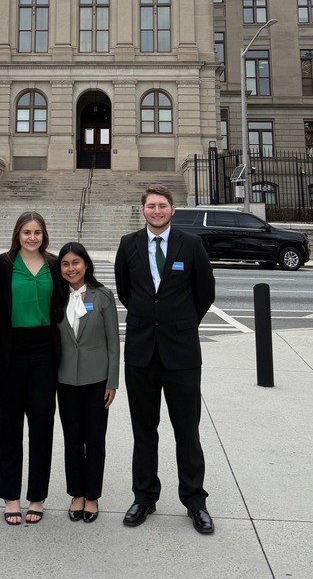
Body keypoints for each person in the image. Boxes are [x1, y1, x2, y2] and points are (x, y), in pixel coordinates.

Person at [114, 184, 216, 535]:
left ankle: (195, 502)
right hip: (142, 352)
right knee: (144, 431)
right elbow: (126, 290)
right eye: (151, 206)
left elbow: (205, 292)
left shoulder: (191, 245)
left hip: (182, 352)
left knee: (187, 431)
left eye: (162, 206)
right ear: (142, 210)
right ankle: (144, 497)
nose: (156, 211)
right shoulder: (129, 245)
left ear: (173, 210)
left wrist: (180, 322)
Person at [0, 211, 60, 525]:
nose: (32, 237)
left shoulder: (55, 264)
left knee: (42, 427)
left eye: (37, 232)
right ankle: (11, 498)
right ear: (17, 234)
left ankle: (36, 498)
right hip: (12, 353)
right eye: (26, 232)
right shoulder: (2, 265)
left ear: (44, 236)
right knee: (10, 427)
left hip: (45, 353)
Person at [55, 241, 120, 523]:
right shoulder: (55, 296)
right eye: (66, 264)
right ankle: (76, 493)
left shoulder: (103, 295)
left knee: (94, 439)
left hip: (97, 379)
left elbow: (113, 343)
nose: (71, 269)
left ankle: (92, 495)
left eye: (76, 263)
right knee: (72, 439)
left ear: (86, 264)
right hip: (65, 378)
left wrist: (113, 382)